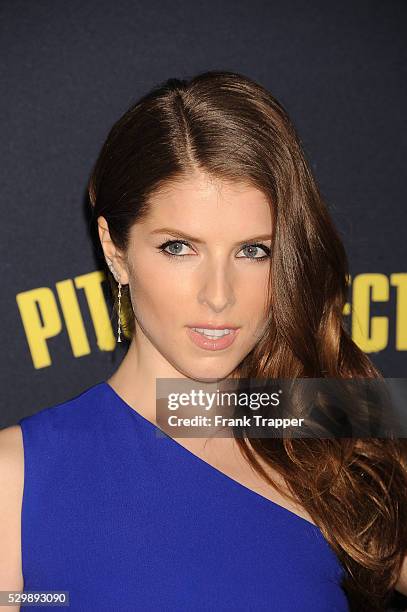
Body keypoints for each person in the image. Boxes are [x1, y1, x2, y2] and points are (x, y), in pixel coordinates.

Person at [1, 70, 406, 611]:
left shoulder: (329, 423)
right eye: (178, 247)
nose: (219, 295)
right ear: (116, 251)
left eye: (253, 251)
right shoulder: (17, 478)